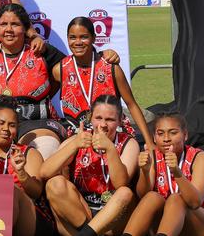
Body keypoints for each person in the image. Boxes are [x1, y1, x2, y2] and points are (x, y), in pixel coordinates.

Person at [0, 3, 67, 159]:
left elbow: (76, 69)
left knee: (45, 153)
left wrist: (103, 55)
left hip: (36, 123)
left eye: (15, 24)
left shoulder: (41, 51)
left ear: (26, 29)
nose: (9, 29)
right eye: (3, 24)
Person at [41, 95, 139, 236]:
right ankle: (87, 232)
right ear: (90, 118)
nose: (103, 125)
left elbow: (120, 183)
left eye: (110, 120)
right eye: (98, 118)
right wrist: (74, 144)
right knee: (54, 183)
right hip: (82, 213)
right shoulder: (80, 138)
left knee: (125, 193)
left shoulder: (128, 143)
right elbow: (44, 172)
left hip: (113, 215)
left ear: (119, 121)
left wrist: (110, 149)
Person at [53, 17, 153, 146]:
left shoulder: (111, 68)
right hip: (78, 136)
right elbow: (48, 100)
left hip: (112, 134)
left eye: (84, 37)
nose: (78, 42)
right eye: (73, 37)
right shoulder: (59, 70)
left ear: (94, 38)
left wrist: (149, 142)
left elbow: (131, 104)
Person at [123, 113, 204, 236]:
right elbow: (143, 195)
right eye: (160, 133)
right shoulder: (152, 156)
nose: (166, 138)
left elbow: (195, 202)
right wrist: (145, 172)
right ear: (154, 137)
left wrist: (176, 172)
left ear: (185, 135)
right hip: (169, 225)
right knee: (152, 197)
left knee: (176, 199)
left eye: (173, 133)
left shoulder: (200, 158)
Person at [0, 98, 51, 236]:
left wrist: (21, 172)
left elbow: (36, 193)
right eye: (1, 123)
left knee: (11, 191)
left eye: (12, 125)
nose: (6, 129)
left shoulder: (29, 153)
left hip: (29, 217)